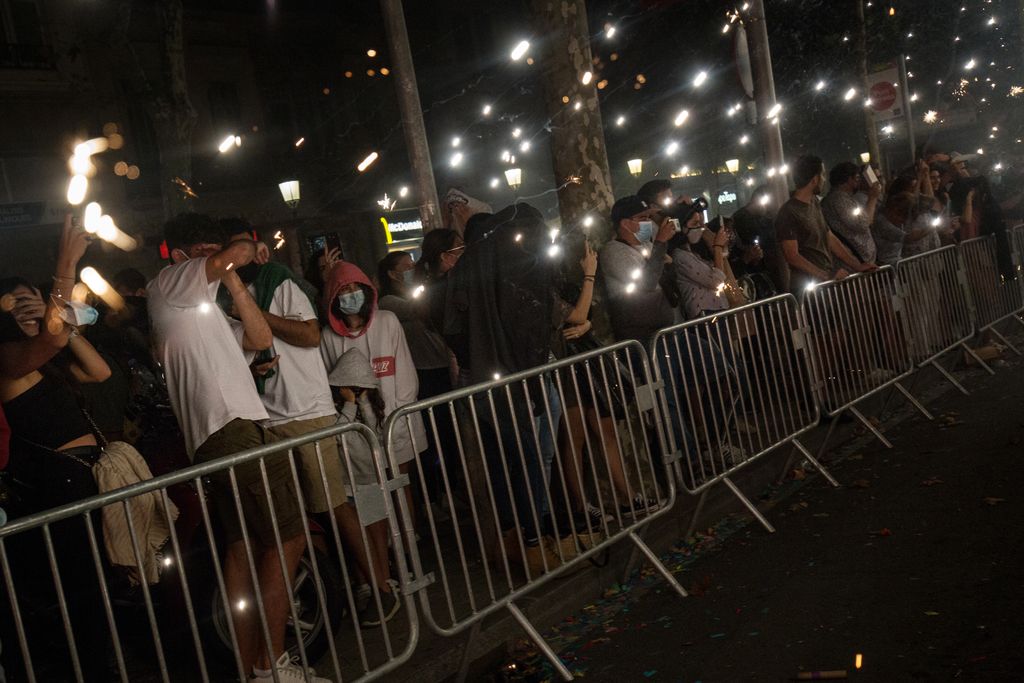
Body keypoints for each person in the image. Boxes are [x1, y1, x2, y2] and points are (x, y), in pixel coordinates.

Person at [147, 213, 324, 683]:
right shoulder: (169, 283)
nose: (217, 264)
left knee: (244, 547)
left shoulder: (204, 307)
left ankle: (252, 670)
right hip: (231, 428)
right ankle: (272, 665)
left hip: (230, 431)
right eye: (207, 253)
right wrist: (239, 251)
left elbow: (261, 338)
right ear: (185, 256)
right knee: (288, 536)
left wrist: (236, 285)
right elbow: (239, 254)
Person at [0, 216, 114, 682]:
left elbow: (100, 372)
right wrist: (64, 268)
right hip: (56, 484)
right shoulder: (8, 359)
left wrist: (64, 324)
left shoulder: (49, 359)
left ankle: (96, 665)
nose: (32, 309)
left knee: (95, 584)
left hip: (83, 478)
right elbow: (48, 335)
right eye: (19, 304)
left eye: (37, 300)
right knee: (77, 590)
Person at [319, 260, 426, 538]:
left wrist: (394, 419)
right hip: (356, 433)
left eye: (356, 288)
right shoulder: (328, 337)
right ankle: (384, 553)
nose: (350, 294)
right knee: (368, 494)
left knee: (400, 486)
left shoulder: (387, 321)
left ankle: (408, 544)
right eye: (343, 290)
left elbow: (405, 376)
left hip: (395, 423)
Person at [326, 348, 402, 626]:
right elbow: (337, 434)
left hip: (371, 482)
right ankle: (368, 586)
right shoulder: (336, 412)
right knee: (358, 541)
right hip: (347, 484)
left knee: (377, 537)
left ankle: (385, 581)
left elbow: (375, 435)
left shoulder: (373, 409)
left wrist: (365, 403)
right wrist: (348, 405)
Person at [776, 155, 877, 293]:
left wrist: (856, 265)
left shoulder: (814, 203)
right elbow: (792, 256)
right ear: (815, 179)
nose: (824, 180)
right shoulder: (789, 212)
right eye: (822, 175)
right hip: (807, 288)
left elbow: (829, 237)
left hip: (823, 282)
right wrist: (825, 276)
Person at [668, 209, 730, 320]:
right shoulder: (680, 256)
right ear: (681, 226)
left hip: (715, 311)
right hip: (704, 314)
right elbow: (716, 281)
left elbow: (724, 255)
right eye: (695, 223)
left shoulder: (692, 252)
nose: (700, 228)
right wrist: (717, 247)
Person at [821, 161, 882, 264]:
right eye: (857, 178)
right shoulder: (838, 200)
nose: (859, 182)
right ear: (849, 179)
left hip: (859, 260)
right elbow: (863, 224)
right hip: (854, 262)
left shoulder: (844, 198)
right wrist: (873, 198)